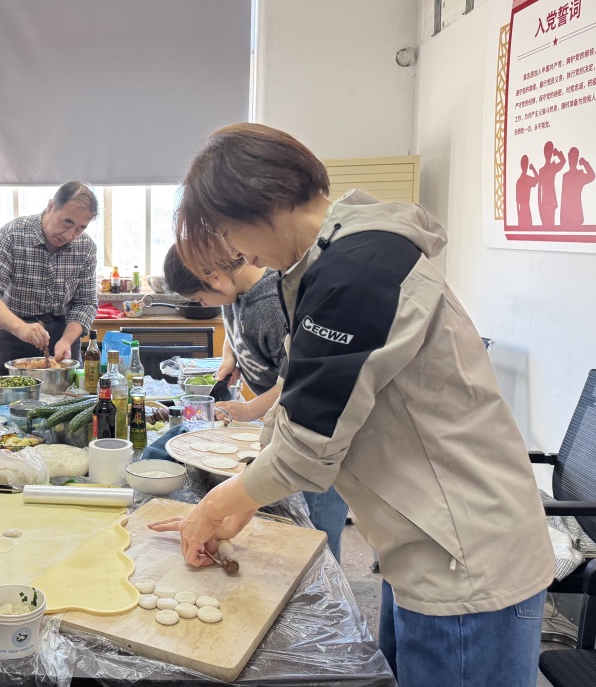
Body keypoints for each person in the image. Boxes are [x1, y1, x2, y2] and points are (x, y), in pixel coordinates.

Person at [150, 123, 554, 687]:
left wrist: (218, 503)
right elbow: (301, 396)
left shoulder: (357, 273)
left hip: (464, 558)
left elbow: (307, 449)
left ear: (264, 203)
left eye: (225, 231)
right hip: (421, 543)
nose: (235, 251)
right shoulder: (326, 264)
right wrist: (246, 492)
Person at [163, 245, 349, 562]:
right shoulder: (235, 294)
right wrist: (230, 357)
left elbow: (295, 382)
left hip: (315, 429)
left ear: (216, 278)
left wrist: (250, 410)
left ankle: (325, 574)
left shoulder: (271, 306)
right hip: (282, 417)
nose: (203, 305)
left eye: (200, 299)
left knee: (317, 526)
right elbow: (232, 328)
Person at [0, 181, 99, 375]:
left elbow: (85, 303)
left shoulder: (86, 248)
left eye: (79, 229)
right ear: (51, 206)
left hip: (63, 336)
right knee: (13, 393)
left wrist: (67, 340)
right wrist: (21, 328)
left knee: (69, 393)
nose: (69, 235)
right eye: (67, 223)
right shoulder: (12, 234)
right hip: (13, 333)